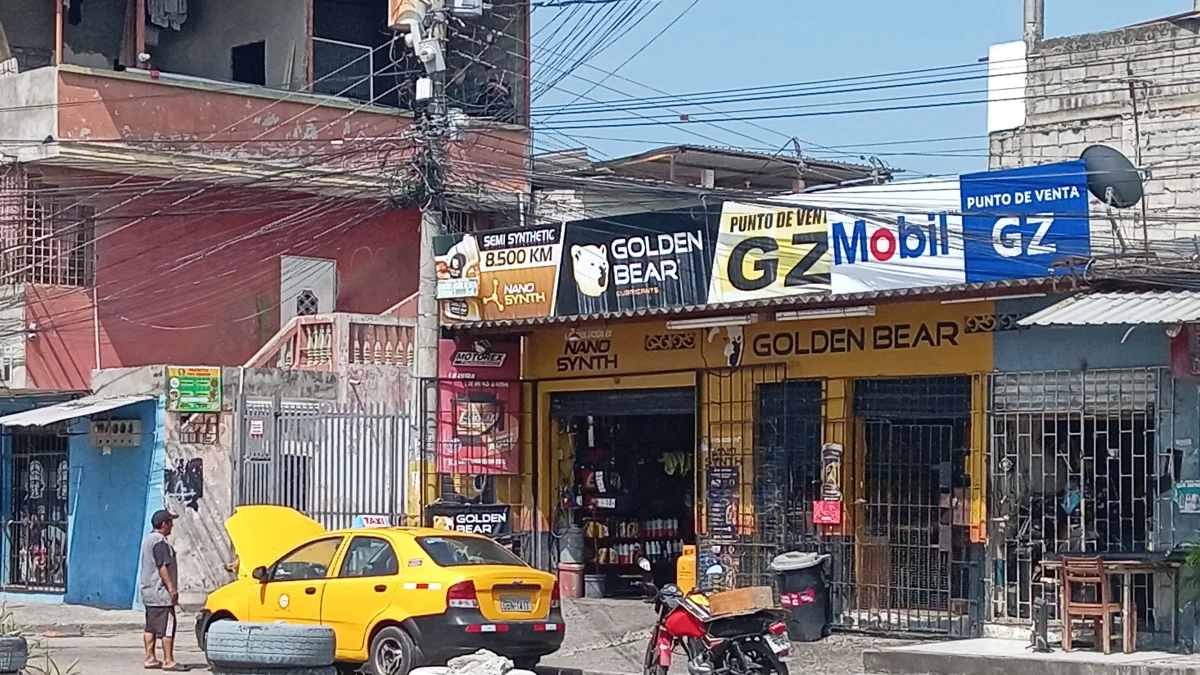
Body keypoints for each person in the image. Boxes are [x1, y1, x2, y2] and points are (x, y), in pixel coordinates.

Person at [140, 510, 188, 671]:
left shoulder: (148, 540)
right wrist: (172, 589)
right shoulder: (160, 542)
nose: (172, 525)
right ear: (163, 524)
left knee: (150, 627)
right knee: (168, 626)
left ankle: (150, 658)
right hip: (160, 594)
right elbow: (162, 567)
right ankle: (168, 660)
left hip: (149, 593)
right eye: (170, 522)